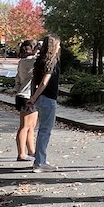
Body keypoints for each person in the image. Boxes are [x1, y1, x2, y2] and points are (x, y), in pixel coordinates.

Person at [26, 34, 62, 173]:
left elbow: (35, 80)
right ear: (54, 46)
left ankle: (40, 159)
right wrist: (34, 98)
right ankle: (39, 162)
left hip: (40, 99)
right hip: (48, 99)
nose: (60, 47)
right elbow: (44, 82)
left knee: (42, 131)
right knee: (45, 131)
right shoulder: (52, 62)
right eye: (58, 44)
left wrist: (33, 97)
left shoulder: (40, 60)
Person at [13, 39, 39, 163]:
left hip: (25, 95)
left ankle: (31, 151)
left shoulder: (22, 61)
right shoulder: (32, 61)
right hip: (27, 96)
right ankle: (21, 153)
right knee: (25, 126)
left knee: (31, 126)